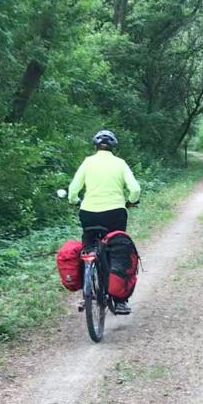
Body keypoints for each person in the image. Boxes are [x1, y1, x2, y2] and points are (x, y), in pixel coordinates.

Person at [68, 129, 141, 314]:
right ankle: (120, 300)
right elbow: (135, 189)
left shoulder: (87, 162)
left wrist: (75, 201)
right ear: (113, 147)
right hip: (115, 213)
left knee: (88, 247)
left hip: (89, 213)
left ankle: (87, 291)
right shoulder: (120, 163)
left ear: (95, 146)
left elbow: (73, 192)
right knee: (117, 250)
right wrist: (130, 202)